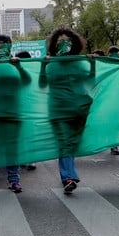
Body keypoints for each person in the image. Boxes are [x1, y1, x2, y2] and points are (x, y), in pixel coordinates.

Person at [39, 27, 93, 194]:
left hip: (79, 107)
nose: (64, 44)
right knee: (64, 142)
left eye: (67, 41)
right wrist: (43, 66)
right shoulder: (50, 62)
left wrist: (93, 65)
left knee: (72, 143)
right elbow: (42, 85)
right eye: (60, 41)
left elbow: (91, 81)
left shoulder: (79, 61)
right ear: (54, 44)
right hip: (58, 109)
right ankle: (68, 177)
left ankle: (69, 173)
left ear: (74, 43)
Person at [0, 35, 31, 193]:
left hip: (13, 113)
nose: (3, 46)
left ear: (11, 46)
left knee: (12, 148)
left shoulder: (15, 63)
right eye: (0, 44)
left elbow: (27, 81)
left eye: (6, 44)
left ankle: (14, 179)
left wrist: (19, 67)